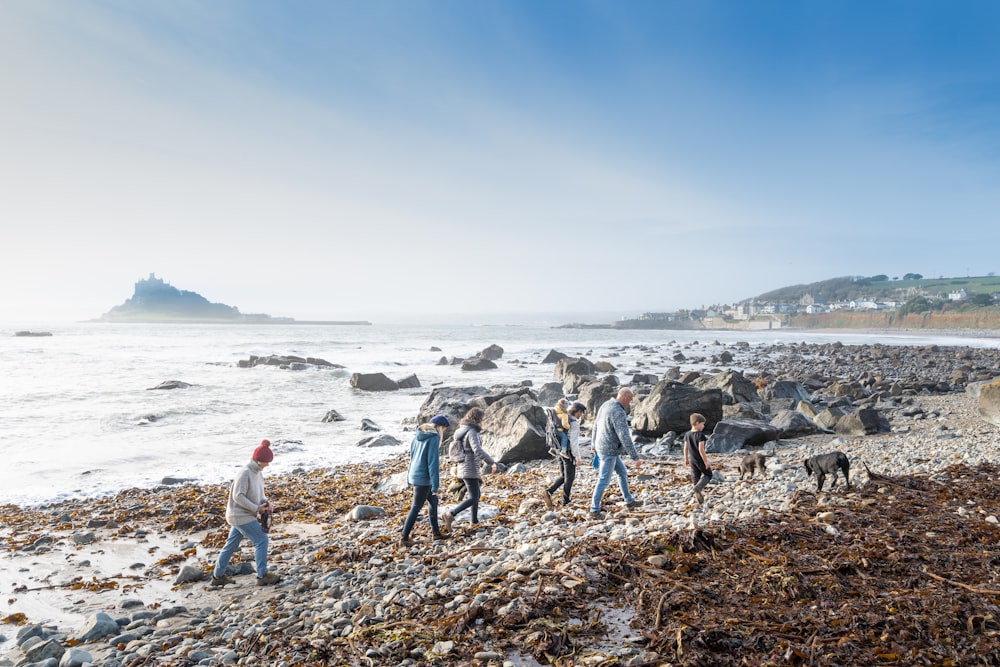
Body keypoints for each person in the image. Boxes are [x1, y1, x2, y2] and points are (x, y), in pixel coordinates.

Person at [210, 439, 281, 587]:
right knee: (261, 540)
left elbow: (259, 494)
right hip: (239, 515)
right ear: (259, 460)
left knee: (230, 545)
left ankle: (217, 577)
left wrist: (266, 503)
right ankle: (262, 576)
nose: (268, 465)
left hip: (243, 515)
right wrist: (256, 509)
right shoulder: (245, 473)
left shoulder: (258, 473)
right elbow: (238, 496)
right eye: (267, 462)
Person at [589, 387, 643, 518]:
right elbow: (624, 436)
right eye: (629, 399)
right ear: (624, 397)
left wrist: (593, 443)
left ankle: (629, 501)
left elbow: (595, 425)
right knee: (604, 479)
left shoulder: (606, 404)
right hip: (609, 450)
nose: (629, 403)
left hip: (602, 446)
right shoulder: (618, 411)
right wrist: (635, 457)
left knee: (622, 472)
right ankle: (594, 510)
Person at [442, 407, 497, 532]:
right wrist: (491, 462)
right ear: (478, 419)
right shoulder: (472, 431)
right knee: (473, 497)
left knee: (476, 495)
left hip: (464, 466)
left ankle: (474, 521)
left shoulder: (462, 430)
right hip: (470, 466)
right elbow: (477, 449)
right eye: (482, 419)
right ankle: (450, 514)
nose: (482, 421)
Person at [400, 415, 450, 547]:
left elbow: (411, 458)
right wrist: (435, 485)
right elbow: (432, 463)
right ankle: (404, 537)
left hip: (415, 475)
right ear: (439, 427)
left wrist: (408, 478)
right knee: (416, 507)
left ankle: (436, 533)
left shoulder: (416, 436)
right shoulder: (433, 438)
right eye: (444, 429)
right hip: (423, 477)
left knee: (434, 501)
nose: (443, 432)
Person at [543, 401, 587, 508]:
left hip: (560, 450)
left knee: (564, 475)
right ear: (578, 411)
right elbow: (574, 442)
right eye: (581, 412)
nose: (581, 415)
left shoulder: (564, 418)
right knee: (570, 477)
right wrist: (577, 457)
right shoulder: (574, 423)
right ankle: (565, 500)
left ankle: (549, 492)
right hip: (569, 453)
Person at [683, 413, 712, 505]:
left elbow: (685, 448)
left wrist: (686, 459)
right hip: (699, 460)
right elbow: (701, 449)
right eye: (702, 424)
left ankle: (699, 500)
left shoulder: (687, 434)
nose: (703, 426)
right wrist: (706, 461)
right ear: (697, 423)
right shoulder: (700, 435)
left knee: (696, 478)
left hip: (692, 460)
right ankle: (698, 488)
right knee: (708, 475)